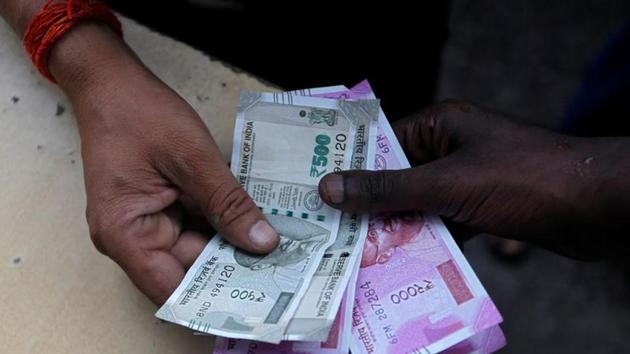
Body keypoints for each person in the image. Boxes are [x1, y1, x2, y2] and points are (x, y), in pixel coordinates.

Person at [1, 0, 628, 308]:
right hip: (153, 30)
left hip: (366, 23)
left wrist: (604, 182)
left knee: (402, 172)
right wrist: (81, 53)